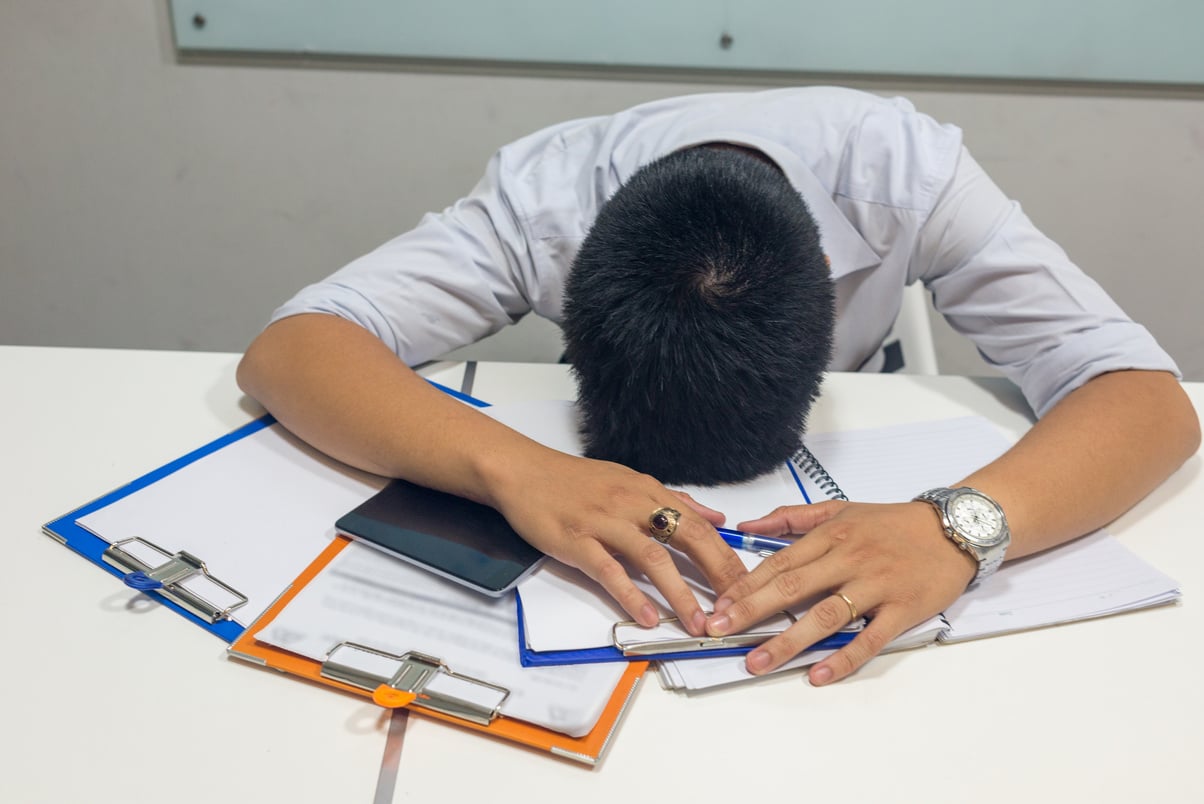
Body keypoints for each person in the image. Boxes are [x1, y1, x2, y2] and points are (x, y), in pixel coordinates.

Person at [237, 86, 1199, 686]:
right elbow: (292, 350)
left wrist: (959, 525)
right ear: (570, 282)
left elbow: (1146, 396)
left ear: (827, 273)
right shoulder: (539, 201)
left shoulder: (907, 171)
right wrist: (518, 470)